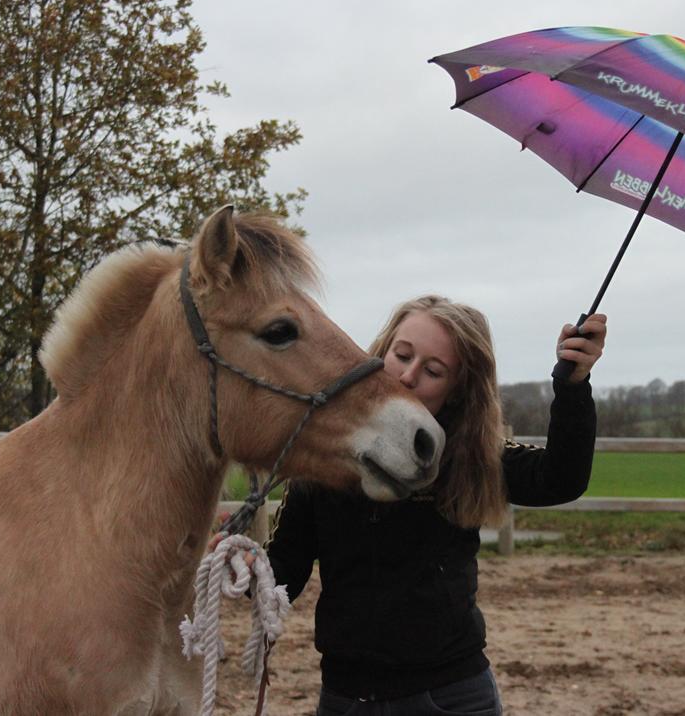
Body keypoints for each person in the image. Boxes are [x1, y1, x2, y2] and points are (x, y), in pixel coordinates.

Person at [226, 296, 606, 716]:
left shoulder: (469, 456)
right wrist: (245, 567)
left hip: (450, 697)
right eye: (401, 355)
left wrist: (572, 387)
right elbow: (285, 576)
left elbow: (560, 478)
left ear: (458, 387)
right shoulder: (323, 460)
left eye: (433, 370)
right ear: (382, 349)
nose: (407, 376)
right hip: (347, 699)